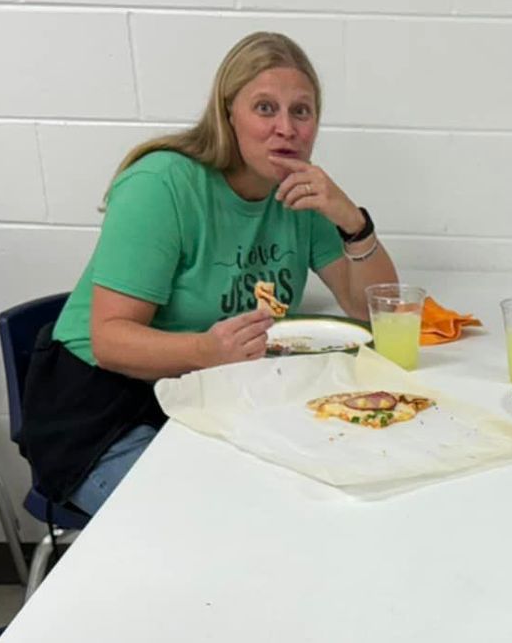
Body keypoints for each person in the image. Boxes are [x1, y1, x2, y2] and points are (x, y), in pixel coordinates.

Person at [20, 30, 401, 513]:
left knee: (329, 488)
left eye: (301, 111)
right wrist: (207, 350)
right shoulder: (162, 185)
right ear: (227, 114)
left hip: (213, 399)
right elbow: (108, 340)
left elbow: (375, 310)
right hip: (101, 410)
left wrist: (352, 221)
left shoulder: (301, 194)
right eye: (265, 108)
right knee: (219, 518)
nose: (286, 128)